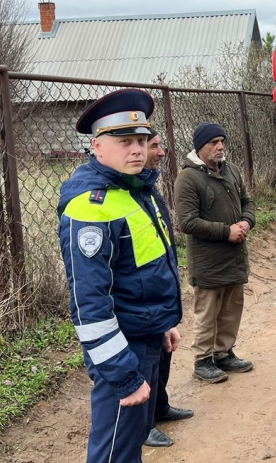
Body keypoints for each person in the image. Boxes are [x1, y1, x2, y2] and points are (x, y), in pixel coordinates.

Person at [57, 89, 182, 463]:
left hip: (146, 336)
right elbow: (89, 304)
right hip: (121, 351)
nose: (137, 150)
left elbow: (146, 270)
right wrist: (124, 376)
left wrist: (162, 323)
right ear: (97, 147)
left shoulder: (136, 190)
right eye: (124, 141)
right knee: (115, 452)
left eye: (142, 141)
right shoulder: (90, 206)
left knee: (131, 445)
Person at [174, 122, 256, 383]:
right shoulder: (188, 178)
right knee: (207, 311)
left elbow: (247, 201)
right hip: (208, 261)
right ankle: (203, 360)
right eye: (213, 142)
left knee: (232, 308)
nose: (220, 146)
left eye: (222, 141)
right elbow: (187, 222)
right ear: (200, 146)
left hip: (234, 257)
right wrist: (226, 231)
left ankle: (223, 353)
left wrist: (246, 221)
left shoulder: (231, 170)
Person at [142, 131, 195, 448]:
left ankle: (159, 408)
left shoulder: (149, 188)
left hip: (160, 294)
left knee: (162, 356)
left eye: (161, 145)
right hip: (142, 299)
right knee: (145, 361)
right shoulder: (132, 192)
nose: (162, 152)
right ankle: (144, 424)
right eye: (155, 147)